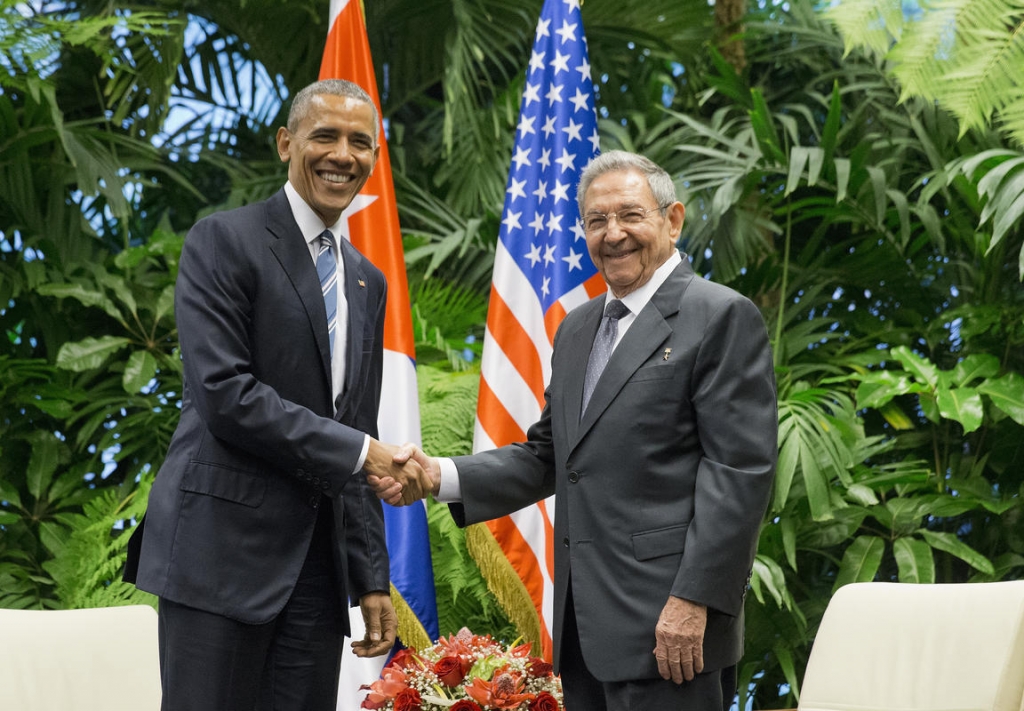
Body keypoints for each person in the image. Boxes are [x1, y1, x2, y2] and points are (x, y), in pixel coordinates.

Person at [377, 151, 778, 710]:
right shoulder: (578, 327)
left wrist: (694, 602)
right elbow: (552, 455)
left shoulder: (720, 316)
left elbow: (739, 474)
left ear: (674, 219)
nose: (613, 234)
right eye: (596, 221)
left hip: (674, 631)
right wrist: (437, 475)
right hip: (584, 632)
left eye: (630, 215)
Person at [124, 78, 431, 711]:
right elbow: (225, 394)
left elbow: (355, 422)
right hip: (219, 558)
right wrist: (361, 451)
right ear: (286, 143)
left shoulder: (367, 282)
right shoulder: (223, 240)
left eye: (360, 143)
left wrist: (370, 575)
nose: (342, 155)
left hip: (316, 577)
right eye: (325, 136)